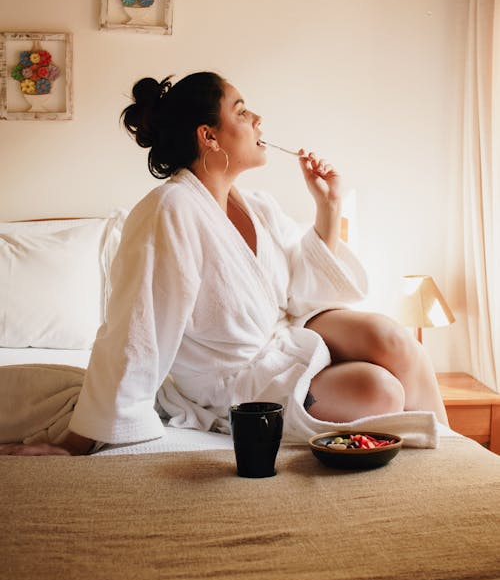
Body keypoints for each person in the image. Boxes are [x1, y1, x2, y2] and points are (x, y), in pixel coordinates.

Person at [1, 71, 448, 456]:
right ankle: (432, 450)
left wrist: (328, 207)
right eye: (241, 111)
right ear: (208, 135)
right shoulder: (170, 211)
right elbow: (137, 326)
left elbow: (307, 296)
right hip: (233, 383)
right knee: (382, 390)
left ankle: (451, 455)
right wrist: (79, 441)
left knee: (394, 337)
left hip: (285, 343)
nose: (257, 121)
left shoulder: (256, 205)